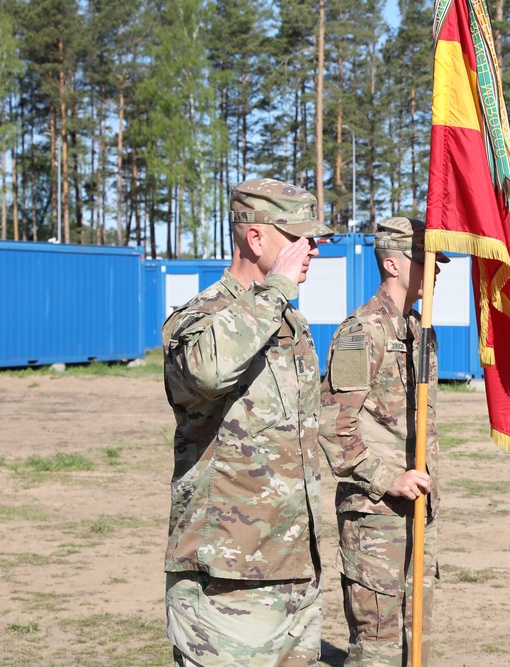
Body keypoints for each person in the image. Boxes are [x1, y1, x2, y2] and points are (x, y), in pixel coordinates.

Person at [161, 177, 335, 666]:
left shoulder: (288, 322)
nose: (312, 250)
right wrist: (276, 285)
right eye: (300, 236)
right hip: (227, 581)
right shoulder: (198, 317)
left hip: (295, 568)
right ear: (255, 237)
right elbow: (209, 371)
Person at [319, 216, 448, 667]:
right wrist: (387, 478)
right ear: (392, 263)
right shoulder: (363, 331)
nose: (435, 271)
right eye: (425, 261)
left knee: (416, 640)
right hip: (376, 516)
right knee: (378, 645)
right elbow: (334, 427)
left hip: (417, 509)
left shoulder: (419, 330)